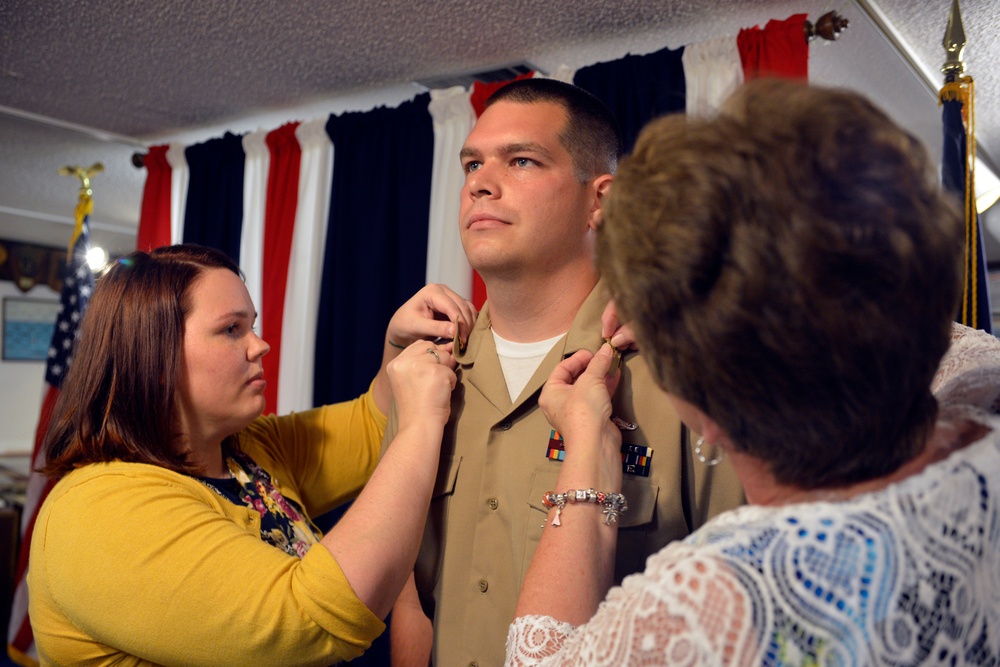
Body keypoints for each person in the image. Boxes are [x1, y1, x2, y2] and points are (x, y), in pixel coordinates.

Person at [505, 79, 1000, 665]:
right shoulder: (979, 425)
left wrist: (585, 447)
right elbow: (960, 346)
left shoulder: (718, 598)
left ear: (702, 406)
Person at [387, 78, 745, 666]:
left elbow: (744, 596)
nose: (480, 181)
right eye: (472, 163)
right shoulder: (424, 376)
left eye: (522, 160)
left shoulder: (683, 370)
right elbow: (404, 580)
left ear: (599, 200)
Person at [27, 243, 477, 666]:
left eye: (252, 325)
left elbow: (369, 425)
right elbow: (309, 621)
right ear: (154, 355)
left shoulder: (247, 451)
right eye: (231, 329)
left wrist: (397, 350)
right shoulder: (99, 512)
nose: (259, 345)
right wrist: (420, 424)